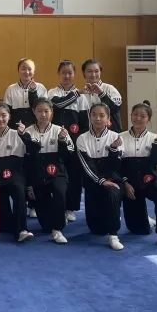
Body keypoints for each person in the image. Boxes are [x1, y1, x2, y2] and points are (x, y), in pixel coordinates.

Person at [120, 101, 157, 247]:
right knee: (138, 230)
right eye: (135, 115)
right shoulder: (120, 137)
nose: (138, 118)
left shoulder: (155, 138)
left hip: (149, 179)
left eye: (143, 116)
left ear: (148, 119)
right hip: (130, 183)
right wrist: (125, 183)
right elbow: (117, 165)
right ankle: (146, 220)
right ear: (131, 115)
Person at [0, 103, 34, 242]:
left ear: (9, 116)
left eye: (4, 115)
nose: (0, 119)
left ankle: (22, 230)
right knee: (4, 223)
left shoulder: (18, 134)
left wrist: (24, 135)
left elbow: (34, 150)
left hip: (15, 176)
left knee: (18, 190)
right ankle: (8, 224)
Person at [22, 99, 74, 244]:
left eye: (46, 111)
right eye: (39, 111)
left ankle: (58, 229)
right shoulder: (28, 132)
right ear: (34, 112)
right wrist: (29, 184)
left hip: (57, 171)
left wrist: (62, 141)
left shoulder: (59, 130)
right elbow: (25, 160)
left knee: (59, 191)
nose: (43, 114)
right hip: (37, 173)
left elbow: (69, 154)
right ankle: (51, 223)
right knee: (45, 225)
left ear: (52, 112)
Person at [76, 103, 125, 251]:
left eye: (102, 115)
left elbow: (116, 166)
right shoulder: (82, 138)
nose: (98, 118)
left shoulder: (116, 137)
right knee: (96, 229)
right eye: (94, 115)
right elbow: (87, 166)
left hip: (112, 179)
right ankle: (110, 215)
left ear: (108, 119)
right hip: (93, 181)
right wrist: (101, 181)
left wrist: (113, 149)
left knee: (113, 193)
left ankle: (113, 235)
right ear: (89, 117)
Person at [46, 60, 89, 222]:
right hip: (55, 141)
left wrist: (80, 142)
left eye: (70, 73)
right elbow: (57, 105)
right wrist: (77, 93)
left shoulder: (83, 98)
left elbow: (85, 124)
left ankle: (71, 207)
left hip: (74, 143)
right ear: (59, 74)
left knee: (74, 175)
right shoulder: (52, 93)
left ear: (74, 74)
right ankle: (57, 206)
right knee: (56, 174)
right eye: (63, 72)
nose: (67, 76)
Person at [81, 59, 124, 132]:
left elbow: (115, 109)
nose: (93, 74)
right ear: (84, 73)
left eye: (96, 71)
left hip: (110, 134)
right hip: (88, 135)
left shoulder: (110, 88)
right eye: (89, 71)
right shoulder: (81, 93)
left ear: (100, 72)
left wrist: (101, 94)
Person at [3, 58, 48, 129]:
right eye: (23, 69)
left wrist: (33, 91)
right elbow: (6, 111)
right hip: (15, 128)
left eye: (30, 69)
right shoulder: (11, 89)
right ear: (18, 71)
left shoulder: (41, 87)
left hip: (36, 128)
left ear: (34, 71)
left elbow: (42, 110)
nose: (27, 72)